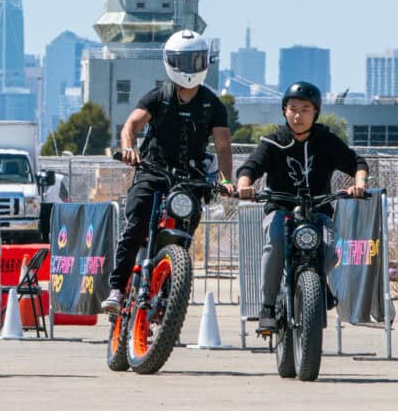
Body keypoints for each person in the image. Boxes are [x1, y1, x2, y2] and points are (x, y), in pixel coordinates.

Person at [101, 30, 234, 313]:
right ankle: (117, 288)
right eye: (182, 60)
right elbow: (131, 126)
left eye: (195, 60)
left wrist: (225, 180)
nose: (188, 67)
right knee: (136, 224)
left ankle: (170, 292)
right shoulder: (158, 96)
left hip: (191, 178)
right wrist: (129, 149)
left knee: (186, 229)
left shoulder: (213, 105)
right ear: (170, 61)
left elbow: (223, 147)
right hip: (153, 170)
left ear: (205, 61)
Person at [235, 81, 369, 330]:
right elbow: (250, 167)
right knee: (275, 242)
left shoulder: (326, 141)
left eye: (305, 109)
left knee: (331, 249)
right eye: (292, 108)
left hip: (318, 212)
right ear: (284, 110)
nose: (298, 115)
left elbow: (357, 162)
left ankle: (317, 282)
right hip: (281, 209)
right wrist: (244, 185)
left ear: (315, 112)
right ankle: (268, 307)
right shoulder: (273, 141)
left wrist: (359, 185)